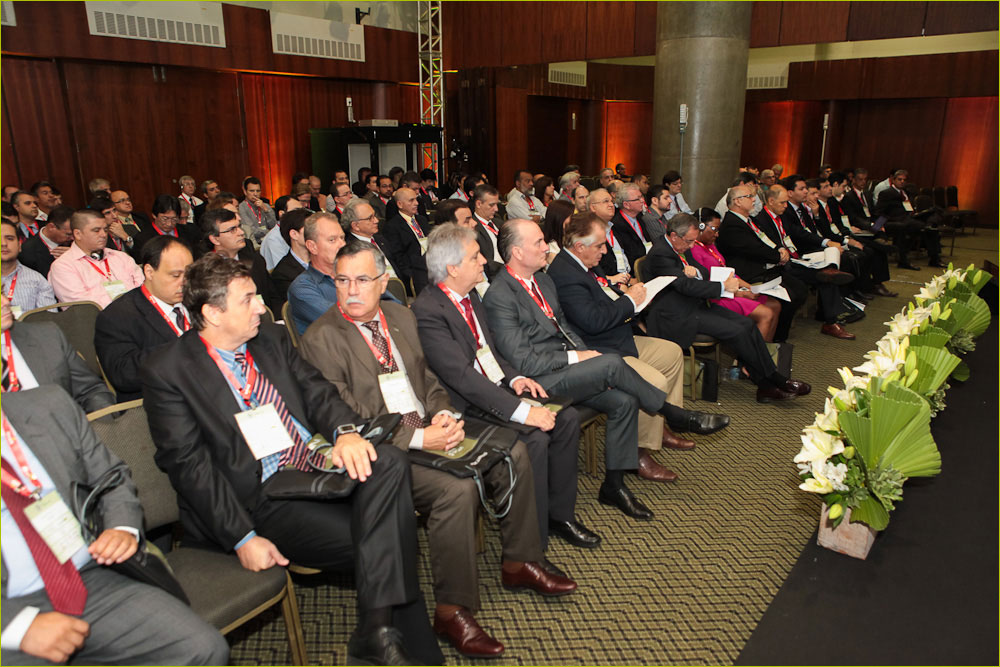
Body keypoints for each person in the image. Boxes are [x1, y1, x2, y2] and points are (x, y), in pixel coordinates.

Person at [140, 253, 441, 665]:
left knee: (387, 460)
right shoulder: (169, 370)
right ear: (212, 312)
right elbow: (191, 468)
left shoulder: (270, 339)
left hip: (313, 466)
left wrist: (345, 433)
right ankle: (402, 647)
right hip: (259, 497)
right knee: (391, 530)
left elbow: (318, 393)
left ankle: (374, 632)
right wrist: (242, 537)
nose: (261, 307)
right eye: (248, 299)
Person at [299, 240, 575, 658]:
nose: (351, 291)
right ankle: (451, 609)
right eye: (341, 281)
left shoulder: (399, 316)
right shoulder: (321, 338)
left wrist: (443, 414)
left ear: (382, 282)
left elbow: (427, 379)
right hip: (384, 452)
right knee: (456, 491)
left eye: (362, 280)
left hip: (430, 426)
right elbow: (345, 416)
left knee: (514, 450)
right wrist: (417, 438)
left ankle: (520, 561)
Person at [484, 219, 727, 521]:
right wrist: (578, 357)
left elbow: (566, 329)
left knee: (624, 400)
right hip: (539, 379)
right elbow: (524, 363)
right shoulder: (500, 296)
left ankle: (614, 485)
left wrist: (584, 354)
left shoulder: (542, 282)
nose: (547, 247)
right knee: (611, 363)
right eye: (538, 243)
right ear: (517, 252)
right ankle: (674, 415)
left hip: (566, 367)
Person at [1, 385, 230, 666]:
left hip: (88, 577)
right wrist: (17, 626)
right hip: (11, 604)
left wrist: (121, 527)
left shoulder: (49, 405)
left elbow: (111, 476)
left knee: (202, 648)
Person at [411, 223, 598, 551]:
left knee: (566, 418)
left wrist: (514, 378)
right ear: (452, 268)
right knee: (535, 438)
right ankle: (531, 539)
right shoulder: (428, 310)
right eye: (475, 256)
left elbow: (491, 351)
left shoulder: (470, 295)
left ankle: (560, 515)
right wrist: (523, 411)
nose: (485, 261)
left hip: (494, 388)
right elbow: (462, 377)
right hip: (465, 405)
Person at [548, 213, 719, 481]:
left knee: (672, 353)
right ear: (580, 246)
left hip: (616, 336)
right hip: (599, 349)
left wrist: (632, 295)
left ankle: (660, 426)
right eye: (600, 246)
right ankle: (638, 452)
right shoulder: (565, 274)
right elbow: (593, 322)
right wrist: (629, 301)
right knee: (654, 380)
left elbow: (606, 295)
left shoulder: (587, 263)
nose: (605, 251)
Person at [640, 213, 812, 403]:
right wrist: (723, 287)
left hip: (693, 304)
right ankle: (772, 381)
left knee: (747, 324)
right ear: (674, 236)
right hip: (675, 314)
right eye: (689, 241)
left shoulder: (681, 246)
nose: (692, 246)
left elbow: (703, 271)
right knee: (737, 331)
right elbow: (684, 286)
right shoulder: (660, 253)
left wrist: (695, 271)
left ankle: (767, 383)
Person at [94, 236, 194, 402]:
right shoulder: (117, 316)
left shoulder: (198, 301)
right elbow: (123, 374)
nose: (184, 283)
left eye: (189, 274)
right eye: (175, 275)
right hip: (162, 401)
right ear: (149, 272)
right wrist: (182, 349)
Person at [1, 295, 114, 413]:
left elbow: (91, 391)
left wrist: (103, 421)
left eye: (2, 292)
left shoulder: (46, 336)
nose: (5, 302)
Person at [690, 208, 781, 342]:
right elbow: (706, 284)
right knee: (766, 313)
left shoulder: (710, 245)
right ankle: (755, 355)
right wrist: (741, 294)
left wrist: (751, 288)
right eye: (714, 229)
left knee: (774, 305)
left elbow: (729, 273)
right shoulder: (693, 250)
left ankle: (767, 348)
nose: (717, 234)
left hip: (730, 289)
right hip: (717, 297)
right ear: (701, 226)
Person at [47, 209, 144, 309]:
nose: (103, 235)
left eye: (105, 230)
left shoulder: (121, 257)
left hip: (138, 314)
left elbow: (144, 289)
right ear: (78, 234)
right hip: (99, 318)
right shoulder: (63, 266)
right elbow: (85, 307)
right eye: (96, 230)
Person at [200, 208, 277, 313]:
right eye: (232, 230)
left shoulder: (255, 260)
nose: (241, 232)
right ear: (215, 239)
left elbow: (273, 296)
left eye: (239, 226)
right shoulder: (206, 271)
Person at [286, 211, 349, 336]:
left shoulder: (355, 274)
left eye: (342, 238)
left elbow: (390, 304)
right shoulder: (302, 288)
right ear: (312, 247)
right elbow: (342, 321)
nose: (342, 244)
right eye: (332, 240)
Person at [874, 169, 943, 269]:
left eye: (904, 180)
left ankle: (934, 257)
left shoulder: (906, 192)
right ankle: (906, 260)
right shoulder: (886, 193)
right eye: (899, 179)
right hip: (896, 220)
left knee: (933, 214)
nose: (902, 182)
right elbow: (879, 211)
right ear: (893, 180)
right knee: (920, 228)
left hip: (910, 217)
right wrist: (878, 226)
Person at [1, 221, 56, 315]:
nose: (3, 243)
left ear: (19, 245)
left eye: (10, 238)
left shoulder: (37, 281)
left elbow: (49, 320)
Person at [383, 188, 430, 295]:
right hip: (415, 273)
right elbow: (399, 258)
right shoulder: (392, 226)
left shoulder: (422, 220)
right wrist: (414, 277)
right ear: (400, 204)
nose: (416, 203)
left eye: (416, 199)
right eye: (411, 200)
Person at [268, 208, 312, 312]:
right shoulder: (283, 274)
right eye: (310, 228)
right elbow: (307, 307)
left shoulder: (324, 260)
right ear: (294, 234)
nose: (317, 232)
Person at [131, 195, 199, 257]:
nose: (169, 224)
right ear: (154, 215)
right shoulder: (142, 239)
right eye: (165, 219)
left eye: (174, 219)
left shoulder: (189, 232)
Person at [18, 205, 74, 278]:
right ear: (51, 227)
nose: (73, 238)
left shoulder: (78, 242)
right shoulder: (27, 251)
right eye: (68, 234)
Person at [238, 177, 276, 247]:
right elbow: (251, 230)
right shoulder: (242, 207)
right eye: (252, 191)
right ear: (245, 192)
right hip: (254, 244)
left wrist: (266, 210)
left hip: (270, 241)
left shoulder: (265, 205)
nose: (255, 194)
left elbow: (273, 225)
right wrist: (268, 231)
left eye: (258, 191)